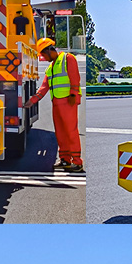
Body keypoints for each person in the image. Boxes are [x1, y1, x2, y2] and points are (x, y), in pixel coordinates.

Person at [26, 37, 82, 172]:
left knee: (71, 131)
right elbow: (44, 87)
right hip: (56, 103)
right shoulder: (50, 68)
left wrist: (73, 94)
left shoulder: (68, 59)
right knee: (60, 133)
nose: (45, 58)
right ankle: (65, 159)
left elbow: (75, 77)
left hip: (68, 101)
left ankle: (77, 162)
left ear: (50, 50)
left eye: (44, 55)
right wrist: (32, 101)